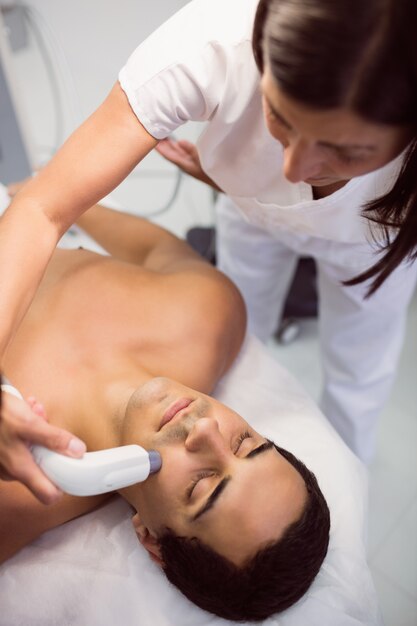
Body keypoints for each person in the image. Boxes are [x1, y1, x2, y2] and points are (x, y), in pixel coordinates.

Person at [0, 0, 416, 485]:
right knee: (243, 340)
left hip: (370, 247)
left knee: (359, 368)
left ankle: (349, 473)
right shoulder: (206, 48)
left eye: (345, 152)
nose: (292, 171)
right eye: (278, 118)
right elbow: (43, 205)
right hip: (247, 216)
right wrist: (236, 181)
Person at [0, 195, 330, 622]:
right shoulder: (209, 315)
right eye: (245, 442)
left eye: (202, 486)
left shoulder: (15, 496)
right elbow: (154, 248)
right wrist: (44, 198)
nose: (206, 430)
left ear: (152, 540)